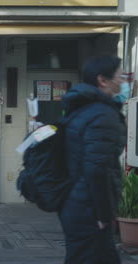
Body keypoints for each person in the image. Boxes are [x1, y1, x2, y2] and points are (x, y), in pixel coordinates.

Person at [60, 55, 128, 264]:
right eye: (120, 76)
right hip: (89, 210)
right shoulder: (102, 115)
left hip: (76, 203)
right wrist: (104, 214)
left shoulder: (82, 109)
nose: (124, 81)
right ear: (103, 80)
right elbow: (97, 169)